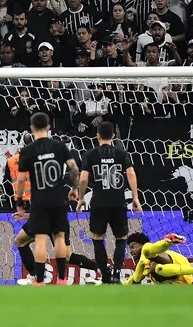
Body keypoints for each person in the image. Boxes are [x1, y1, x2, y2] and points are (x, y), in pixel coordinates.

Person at [10, 134, 99, 285]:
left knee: (62, 254)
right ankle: (39, 275)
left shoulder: (35, 165)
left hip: (47, 212)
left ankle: (38, 276)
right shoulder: (56, 156)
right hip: (55, 210)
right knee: (22, 241)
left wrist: (22, 206)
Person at [14, 112, 80, 285]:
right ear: (49, 127)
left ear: (31, 129)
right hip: (59, 199)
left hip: (39, 201)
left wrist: (19, 201)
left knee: (41, 239)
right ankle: (62, 279)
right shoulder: (59, 146)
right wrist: (74, 189)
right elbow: (74, 169)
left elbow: (20, 179)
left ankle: (40, 280)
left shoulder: (27, 151)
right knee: (59, 237)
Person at [77, 121, 142, 284]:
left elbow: (84, 178)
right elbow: (131, 174)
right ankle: (117, 274)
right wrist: (135, 197)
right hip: (118, 202)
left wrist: (81, 198)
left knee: (97, 237)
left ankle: (105, 275)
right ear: (113, 135)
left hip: (99, 202)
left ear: (97, 135)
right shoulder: (121, 154)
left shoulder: (90, 155)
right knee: (121, 238)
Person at [125, 232, 193, 284]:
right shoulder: (144, 266)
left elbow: (145, 253)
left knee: (149, 256)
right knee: (155, 269)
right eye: (130, 249)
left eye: (133, 247)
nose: (131, 251)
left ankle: (168, 241)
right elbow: (133, 280)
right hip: (179, 286)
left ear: (141, 244)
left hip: (179, 266)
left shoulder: (149, 248)